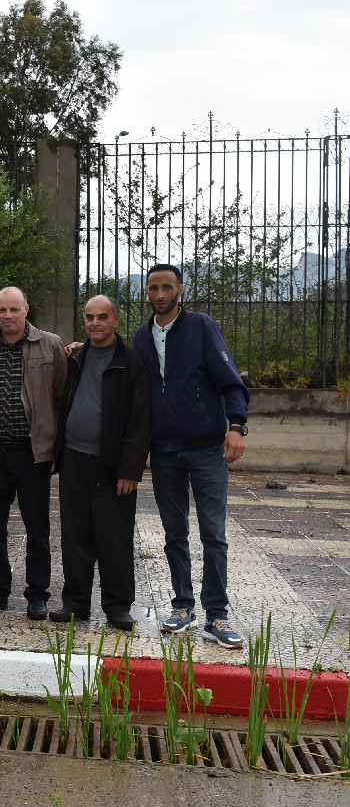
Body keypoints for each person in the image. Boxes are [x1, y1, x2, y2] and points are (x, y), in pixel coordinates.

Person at [133, 263, 250, 648]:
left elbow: (231, 381)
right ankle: (183, 606)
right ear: (147, 291)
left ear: (180, 290)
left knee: (213, 533)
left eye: (167, 287)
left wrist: (237, 425)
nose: (160, 294)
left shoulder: (201, 327)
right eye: (154, 287)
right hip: (163, 451)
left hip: (205, 449)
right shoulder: (142, 336)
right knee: (174, 533)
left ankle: (217, 615)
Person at [51, 295, 151, 631]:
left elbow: (140, 422)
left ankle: (118, 606)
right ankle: (75, 602)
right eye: (90, 317)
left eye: (102, 317)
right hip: (73, 459)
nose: (95, 323)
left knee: (115, 539)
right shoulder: (75, 358)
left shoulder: (132, 363)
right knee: (75, 536)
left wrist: (130, 469)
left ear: (117, 320)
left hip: (112, 467)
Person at [0, 286, 67, 620]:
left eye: (14, 309)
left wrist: (55, 446)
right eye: (2, 310)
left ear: (26, 309)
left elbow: (61, 395)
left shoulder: (50, 345)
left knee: (37, 529)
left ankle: (37, 595)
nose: (8, 315)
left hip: (31, 454)